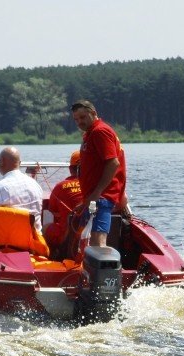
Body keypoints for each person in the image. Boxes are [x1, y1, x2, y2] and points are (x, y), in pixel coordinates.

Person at [71, 100, 126, 247]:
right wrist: (86, 200)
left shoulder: (100, 131)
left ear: (93, 113)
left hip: (102, 198)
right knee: (90, 240)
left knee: (98, 241)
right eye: (76, 119)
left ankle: (103, 269)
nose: (79, 122)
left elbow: (113, 163)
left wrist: (97, 192)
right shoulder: (90, 134)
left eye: (82, 117)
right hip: (94, 198)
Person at [44, 150, 83, 252]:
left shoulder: (60, 187)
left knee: (46, 227)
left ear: (70, 169)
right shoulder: (96, 187)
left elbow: (53, 211)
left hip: (66, 236)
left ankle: (52, 255)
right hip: (91, 235)